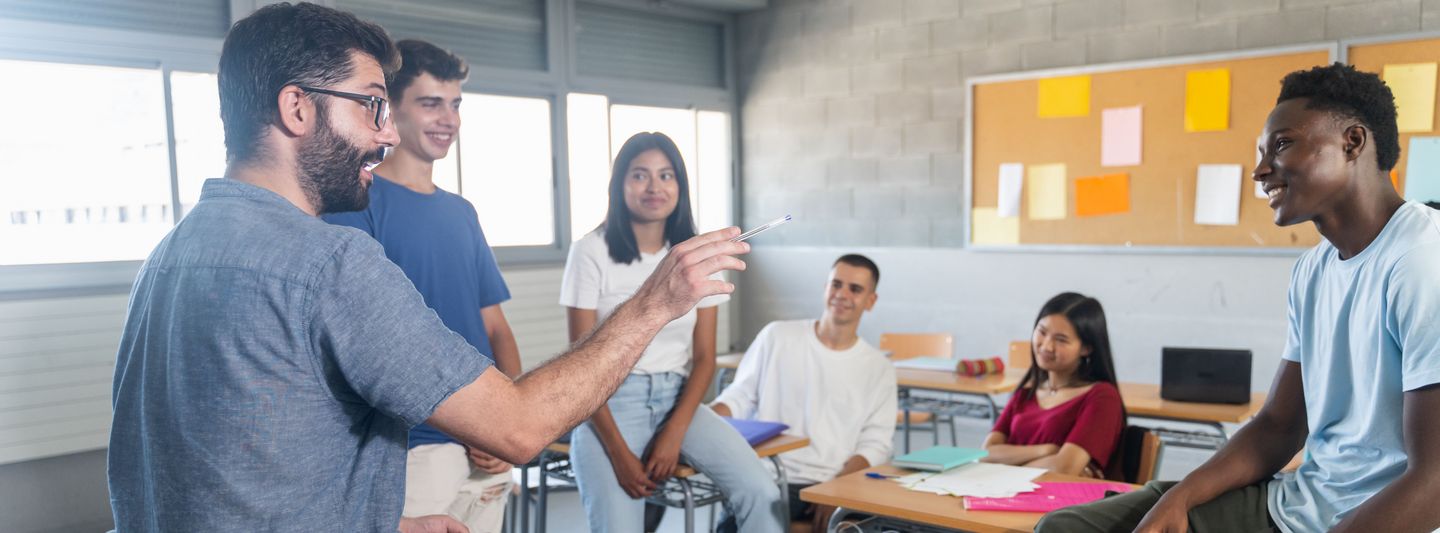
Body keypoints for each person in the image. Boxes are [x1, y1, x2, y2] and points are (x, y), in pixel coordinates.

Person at [106, 4, 749, 532]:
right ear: (297, 108)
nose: (385, 135)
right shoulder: (328, 261)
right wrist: (655, 302)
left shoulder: (171, 255)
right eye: (371, 106)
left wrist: (389, 524)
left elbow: (239, 467)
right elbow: (520, 429)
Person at [1038, 63, 1440, 533]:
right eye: (1261, 153)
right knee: (1067, 528)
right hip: (1298, 506)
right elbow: (1278, 426)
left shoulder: (1421, 260)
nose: (1260, 170)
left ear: (1352, 143)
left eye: (1282, 145)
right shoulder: (1313, 270)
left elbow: (1433, 481)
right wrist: (1180, 498)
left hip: (1384, 520)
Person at [322, 39, 518, 532]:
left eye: (455, 105)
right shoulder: (355, 207)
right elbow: (364, 344)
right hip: (412, 450)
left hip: (485, 446)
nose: (447, 119)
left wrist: (503, 422)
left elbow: (495, 329)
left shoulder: (462, 213)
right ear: (389, 109)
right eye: (430, 103)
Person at [559, 132, 785, 532]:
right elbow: (582, 366)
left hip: (678, 403)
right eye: (640, 175)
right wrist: (619, 452)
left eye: (666, 176)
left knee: (761, 493)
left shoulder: (698, 254)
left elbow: (704, 360)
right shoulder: (590, 250)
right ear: (620, 184)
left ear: (680, 185)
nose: (654, 187)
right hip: (607, 409)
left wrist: (673, 432)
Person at [711, 254, 897, 529]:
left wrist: (836, 490)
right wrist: (698, 423)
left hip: (832, 481)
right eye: (836, 284)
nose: (842, 294)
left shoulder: (879, 368)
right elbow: (739, 397)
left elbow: (876, 443)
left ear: (871, 301)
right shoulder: (777, 336)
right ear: (825, 287)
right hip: (766, 477)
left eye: (855, 289)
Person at [981, 292, 1124, 478]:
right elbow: (985, 454)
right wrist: (1047, 450)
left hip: (1061, 504)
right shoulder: (1026, 393)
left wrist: (1007, 463)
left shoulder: (1102, 397)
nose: (1046, 346)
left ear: (1086, 348)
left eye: (1061, 339)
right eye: (1042, 332)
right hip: (1005, 495)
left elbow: (1065, 468)